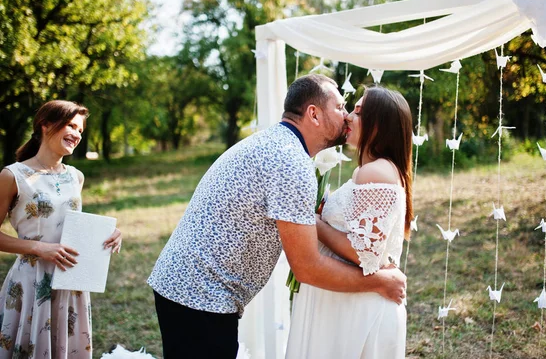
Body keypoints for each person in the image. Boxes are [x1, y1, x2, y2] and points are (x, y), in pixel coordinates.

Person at [148, 74, 407, 359]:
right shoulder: (290, 162)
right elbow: (307, 267)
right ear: (313, 114)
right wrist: (380, 282)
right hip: (200, 295)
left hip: (192, 288)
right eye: (340, 107)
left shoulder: (280, 146)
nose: (346, 117)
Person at [286, 86, 414, 359]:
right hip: (343, 300)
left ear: (378, 124)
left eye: (358, 111)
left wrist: (312, 222)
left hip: (357, 308)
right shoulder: (369, 170)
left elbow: (364, 253)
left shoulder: (376, 172)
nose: (348, 118)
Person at [0, 100, 122, 359]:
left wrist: (108, 235)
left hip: (72, 281)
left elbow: (73, 227)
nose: (77, 134)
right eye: (70, 126)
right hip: (32, 283)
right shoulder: (13, 176)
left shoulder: (75, 176)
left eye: (80, 130)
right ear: (45, 125)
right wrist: (38, 247)